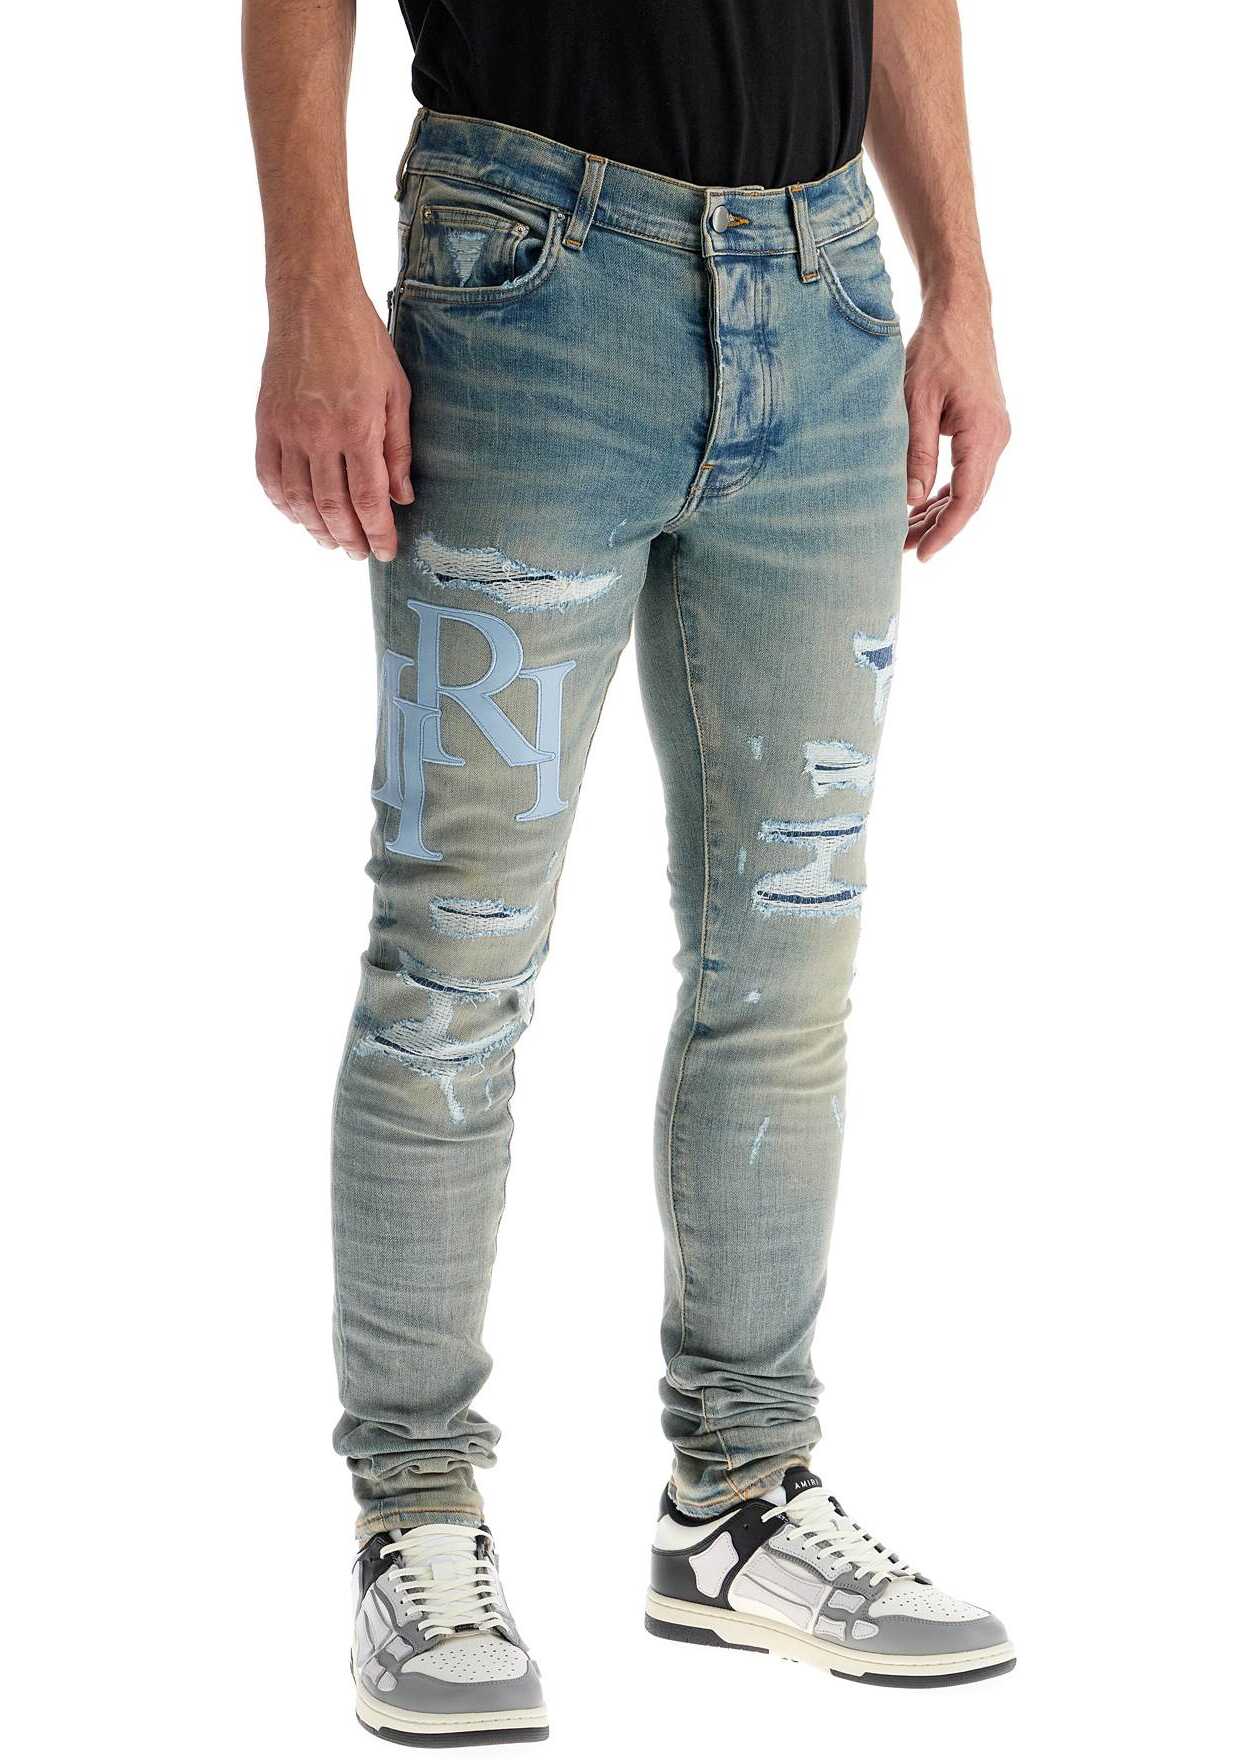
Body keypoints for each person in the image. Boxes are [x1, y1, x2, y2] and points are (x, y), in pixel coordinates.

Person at [244, 0, 1013, 1741]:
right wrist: (308, 290)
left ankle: (737, 1504)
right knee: (455, 958)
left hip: (824, 293)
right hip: (527, 284)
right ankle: (414, 1511)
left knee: (787, 959)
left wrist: (959, 281)